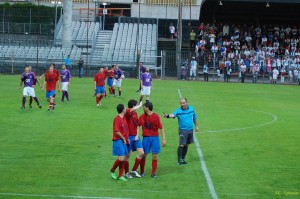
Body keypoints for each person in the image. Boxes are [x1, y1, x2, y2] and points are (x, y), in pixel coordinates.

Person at [163, 98, 199, 165]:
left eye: (183, 103)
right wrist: (167, 115)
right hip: (183, 130)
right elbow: (173, 115)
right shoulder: (178, 111)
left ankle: (183, 159)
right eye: (181, 103)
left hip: (190, 130)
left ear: (187, 103)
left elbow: (195, 118)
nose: (182, 104)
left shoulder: (191, 109)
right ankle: (179, 160)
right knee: (182, 145)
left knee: (186, 145)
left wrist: (196, 126)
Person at [139, 101, 166, 177]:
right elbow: (137, 125)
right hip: (145, 138)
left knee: (155, 156)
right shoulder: (142, 116)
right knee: (144, 155)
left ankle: (153, 173)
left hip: (155, 138)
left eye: (143, 107)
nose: (142, 108)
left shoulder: (156, 116)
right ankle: (141, 172)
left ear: (147, 108)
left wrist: (164, 139)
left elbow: (161, 128)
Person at [110, 104, 130, 182]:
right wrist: (123, 138)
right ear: (122, 110)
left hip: (123, 140)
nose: (126, 109)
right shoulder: (117, 119)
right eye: (125, 108)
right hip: (118, 140)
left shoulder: (124, 118)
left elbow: (125, 130)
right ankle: (112, 170)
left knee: (123, 158)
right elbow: (117, 131)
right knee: (121, 158)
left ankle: (120, 175)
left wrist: (127, 138)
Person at [124, 99, 144, 178]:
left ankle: (134, 170)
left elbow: (137, 126)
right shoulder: (127, 112)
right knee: (127, 156)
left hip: (136, 136)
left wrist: (137, 135)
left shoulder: (135, 114)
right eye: (136, 105)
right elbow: (133, 109)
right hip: (128, 137)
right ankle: (126, 173)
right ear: (133, 106)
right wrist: (140, 105)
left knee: (141, 153)